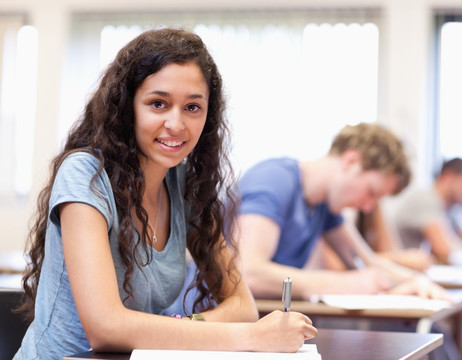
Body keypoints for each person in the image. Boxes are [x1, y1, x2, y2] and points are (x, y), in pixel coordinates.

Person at [14, 28, 317, 360]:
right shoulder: (85, 174)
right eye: (158, 103)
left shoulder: (185, 184)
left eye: (192, 107)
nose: (176, 124)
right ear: (127, 107)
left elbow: (243, 306)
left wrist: (177, 327)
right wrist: (252, 336)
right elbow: (105, 328)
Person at [232, 122, 449, 300]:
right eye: (371, 192)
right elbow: (249, 273)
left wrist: (417, 281)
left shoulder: (323, 206)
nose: (367, 207)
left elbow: (366, 262)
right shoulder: (274, 180)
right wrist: (345, 283)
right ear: (351, 160)